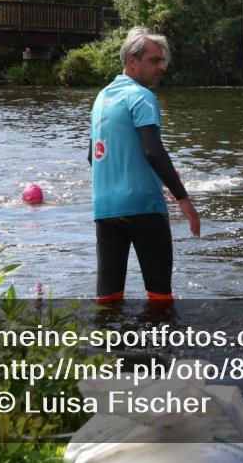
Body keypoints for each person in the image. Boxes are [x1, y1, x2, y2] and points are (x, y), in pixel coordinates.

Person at [89, 27, 200, 304]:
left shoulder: (101, 98)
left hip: (104, 209)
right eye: (154, 60)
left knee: (108, 297)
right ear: (131, 62)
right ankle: (162, 346)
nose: (162, 67)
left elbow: (92, 157)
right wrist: (184, 200)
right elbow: (153, 151)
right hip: (143, 208)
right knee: (160, 296)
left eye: (162, 61)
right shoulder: (141, 97)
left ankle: (110, 346)